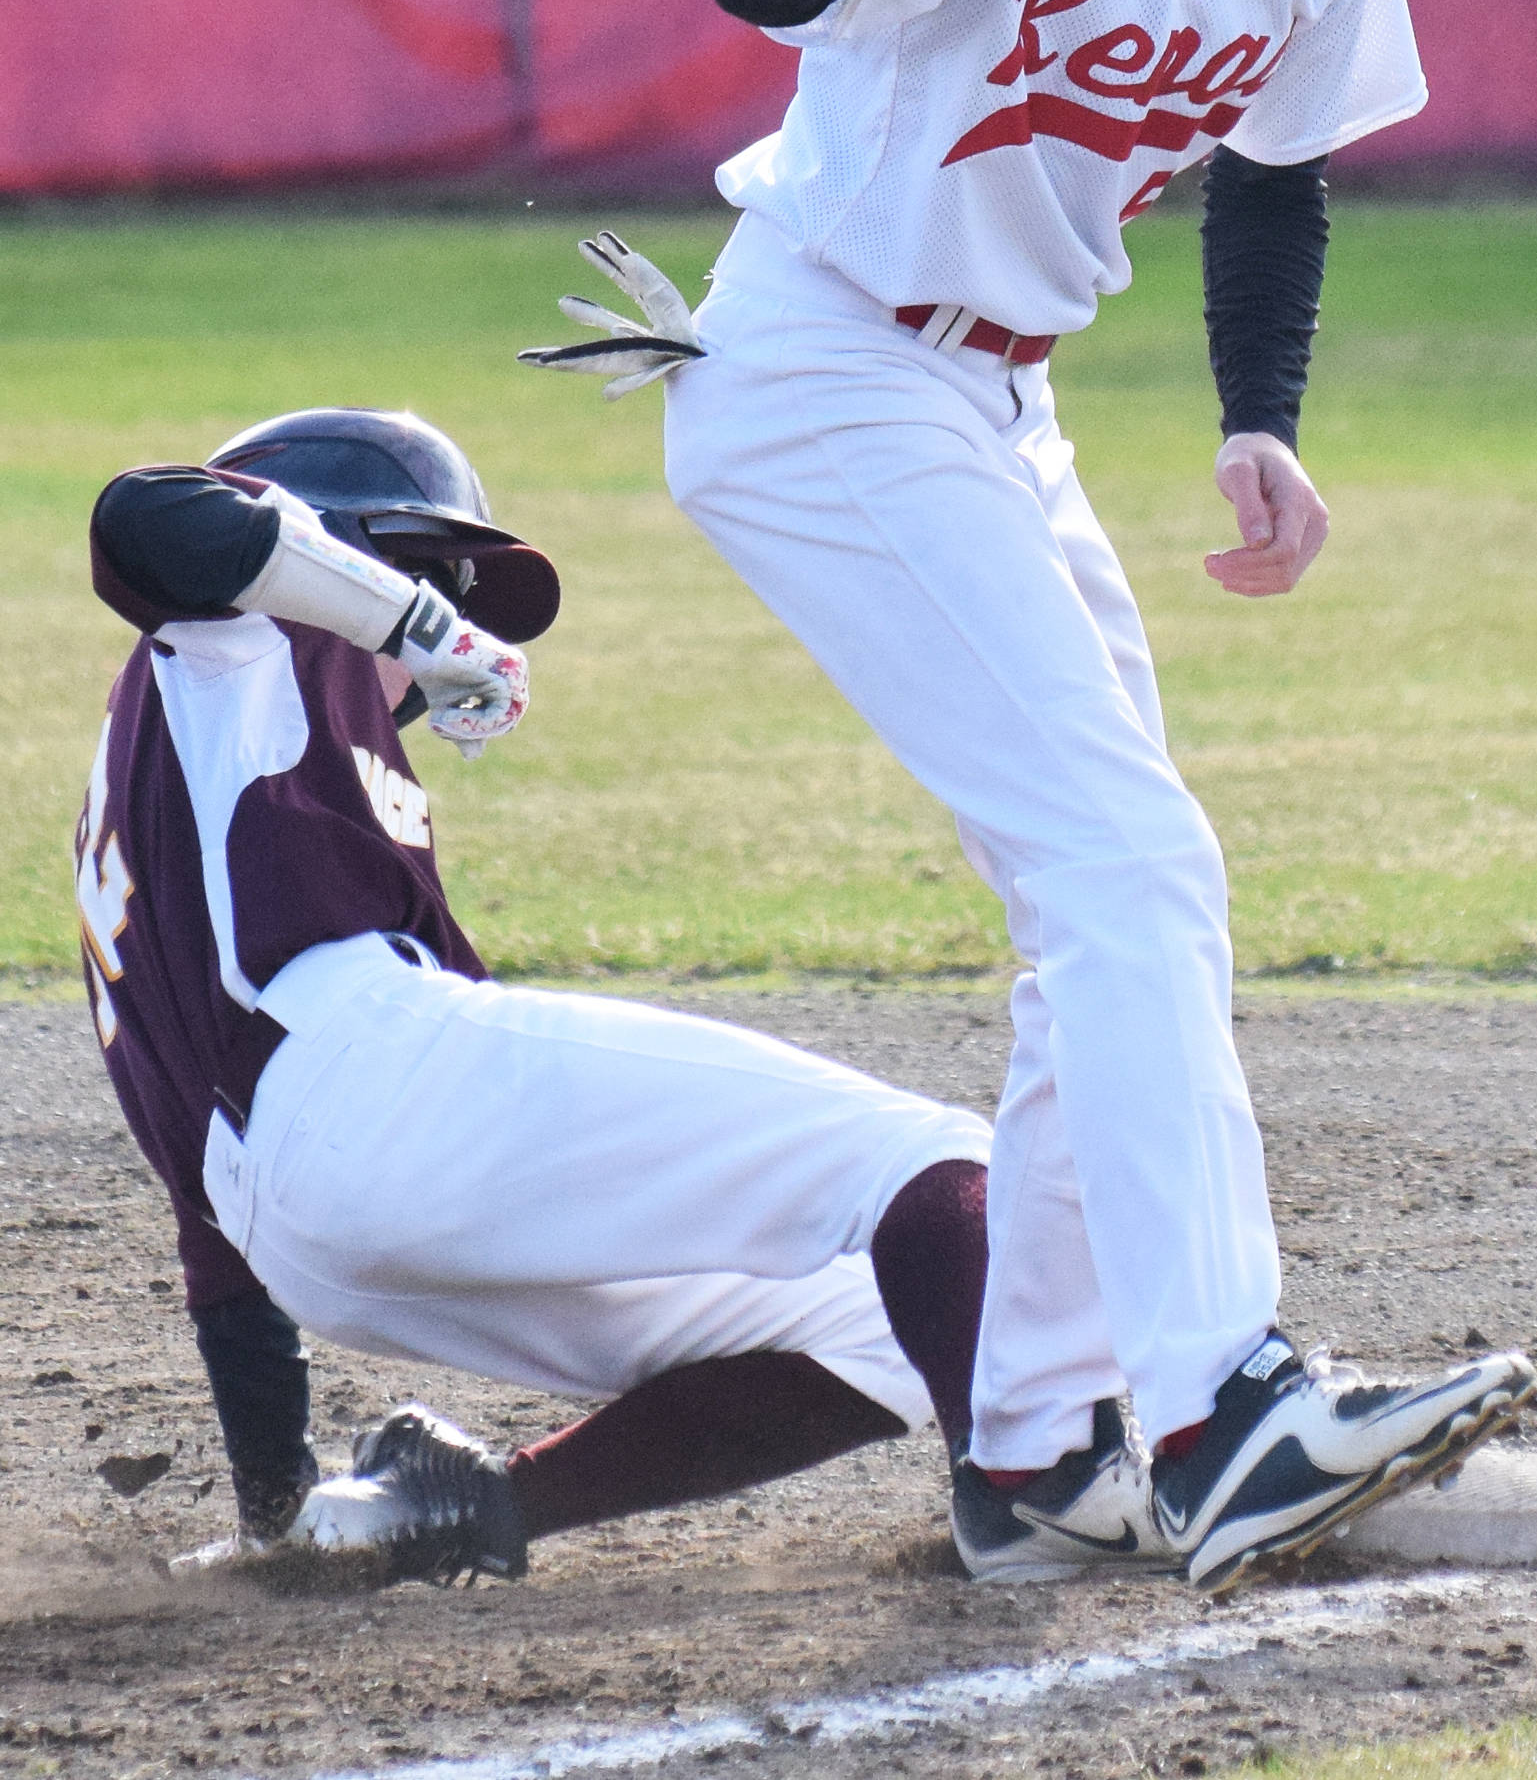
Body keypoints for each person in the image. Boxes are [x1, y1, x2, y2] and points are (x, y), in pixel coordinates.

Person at [654, 0, 1536, 1593]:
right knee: (1133, 860)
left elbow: (1273, 170)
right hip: (820, 362)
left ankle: (1040, 1447)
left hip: (994, 411)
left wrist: (1263, 413)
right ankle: (1219, 1403)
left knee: (1101, 904)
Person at [76, 405, 1029, 1584]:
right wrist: (412, 617)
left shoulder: (193, 774)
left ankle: (454, 1512)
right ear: (331, 540)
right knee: (939, 1163)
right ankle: (1036, 1495)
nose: (453, 622)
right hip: (362, 1081)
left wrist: (275, 1509)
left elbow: (215, 1239)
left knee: (890, 1321)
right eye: (433, 572)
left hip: (301, 1228)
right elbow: (151, 513)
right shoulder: (238, 638)